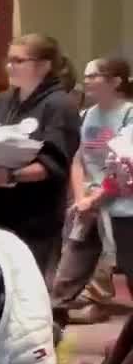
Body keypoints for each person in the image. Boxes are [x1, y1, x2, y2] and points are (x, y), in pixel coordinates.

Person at [0, 33, 82, 279]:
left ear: (44, 65)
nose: (10, 66)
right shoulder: (1, 102)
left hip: (31, 217)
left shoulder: (59, 105)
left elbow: (54, 164)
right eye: (9, 60)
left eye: (19, 60)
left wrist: (10, 175)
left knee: (22, 290)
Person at [52, 57, 133, 330]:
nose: (86, 81)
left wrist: (95, 199)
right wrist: (80, 197)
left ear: (116, 82)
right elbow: (78, 158)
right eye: (85, 75)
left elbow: (124, 164)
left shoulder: (128, 115)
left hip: (122, 202)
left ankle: (99, 302)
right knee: (75, 250)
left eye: (94, 75)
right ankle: (58, 304)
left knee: (120, 260)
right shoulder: (86, 115)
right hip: (89, 198)